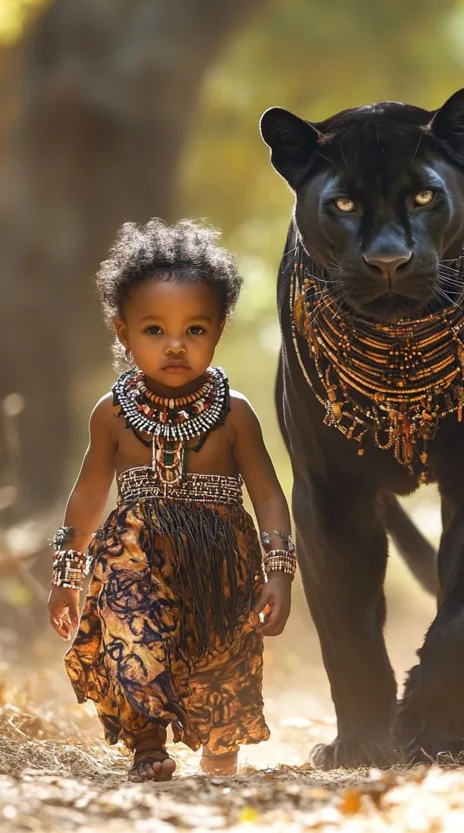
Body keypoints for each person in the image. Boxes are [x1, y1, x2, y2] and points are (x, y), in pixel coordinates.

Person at [48, 218, 295, 782]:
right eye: (154, 330)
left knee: (222, 656)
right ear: (123, 331)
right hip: (135, 552)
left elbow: (267, 494)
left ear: (220, 330)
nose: (176, 344)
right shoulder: (112, 414)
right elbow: (87, 496)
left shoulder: (235, 413)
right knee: (133, 632)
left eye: (195, 329)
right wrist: (67, 576)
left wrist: (280, 571)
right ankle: (147, 745)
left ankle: (220, 747)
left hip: (221, 562)